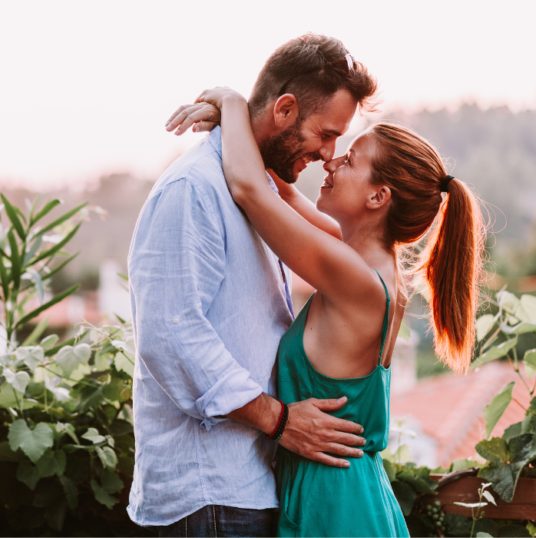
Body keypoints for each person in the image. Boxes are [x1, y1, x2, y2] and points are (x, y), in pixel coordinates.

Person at [166, 85, 485, 536]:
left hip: (334, 505)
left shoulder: (353, 278)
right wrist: (248, 129)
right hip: (347, 493)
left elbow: (250, 191)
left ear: (378, 197)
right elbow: (281, 194)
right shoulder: (371, 269)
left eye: (350, 160)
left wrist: (232, 100)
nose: (331, 162)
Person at [126, 34, 378, 536]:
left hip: (250, 486)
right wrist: (280, 420)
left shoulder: (261, 192)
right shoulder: (194, 190)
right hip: (209, 494)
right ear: (284, 109)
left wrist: (231, 104)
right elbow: (172, 335)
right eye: (326, 134)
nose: (329, 154)